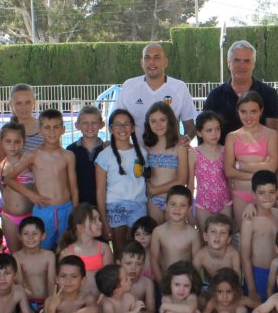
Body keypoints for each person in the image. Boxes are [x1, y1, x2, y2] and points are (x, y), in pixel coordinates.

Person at [3, 108, 78, 251]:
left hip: (66, 209)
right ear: (40, 130)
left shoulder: (68, 155)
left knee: (66, 251)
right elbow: (9, 178)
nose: (52, 131)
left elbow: (73, 187)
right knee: (41, 250)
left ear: (63, 129)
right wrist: (31, 195)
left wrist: (74, 210)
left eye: (56, 127)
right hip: (44, 210)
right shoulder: (32, 155)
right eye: (47, 127)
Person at [115, 43, 198, 138]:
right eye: (147, 57)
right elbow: (116, 122)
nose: (152, 62)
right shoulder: (129, 86)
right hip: (138, 151)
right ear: (142, 63)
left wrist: (184, 143)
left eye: (157, 57)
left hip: (171, 151)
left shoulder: (180, 88)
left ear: (165, 62)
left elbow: (190, 126)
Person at [203, 40, 278, 138]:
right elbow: (204, 133)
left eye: (246, 61)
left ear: (253, 64)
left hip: (259, 153)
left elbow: (272, 136)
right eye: (237, 60)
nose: (241, 66)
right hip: (223, 153)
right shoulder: (215, 96)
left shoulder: (269, 95)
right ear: (228, 62)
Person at [95, 109, 148, 252]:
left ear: (132, 127)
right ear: (111, 128)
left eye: (126, 124)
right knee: (119, 250)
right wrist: (103, 220)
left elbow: (146, 183)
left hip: (138, 205)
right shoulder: (104, 156)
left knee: (136, 250)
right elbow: (100, 191)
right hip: (115, 207)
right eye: (117, 125)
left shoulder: (142, 153)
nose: (122, 128)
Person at [225, 91, 278, 223]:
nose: (248, 116)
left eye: (253, 111)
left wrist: (241, 166)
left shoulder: (271, 135)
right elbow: (229, 171)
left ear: (261, 111)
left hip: (265, 195)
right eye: (243, 112)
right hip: (240, 194)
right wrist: (260, 173)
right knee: (243, 233)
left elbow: (272, 168)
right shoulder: (232, 137)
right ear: (238, 112)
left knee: (264, 234)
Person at [240, 170, 278, 302]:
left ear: (277, 192)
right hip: (259, 273)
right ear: (253, 194)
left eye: (271, 192)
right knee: (258, 311)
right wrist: (252, 289)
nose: (267, 197)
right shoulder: (249, 221)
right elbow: (245, 257)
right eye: (262, 193)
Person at [143, 102, 190, 223]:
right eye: (153, 121)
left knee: (173, 239)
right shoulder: (148, 146)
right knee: (155, 235)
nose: (158, 125)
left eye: (162, 120)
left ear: (170, 121)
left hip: (174, 201)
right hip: (154, 200)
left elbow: (182, 180)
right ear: (148, 123)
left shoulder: (180, 146)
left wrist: (154, 190)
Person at [0, 123, 33, 253]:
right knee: (15, 255)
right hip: (9, 218)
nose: (13, 145)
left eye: (17, 141)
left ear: (23, 142)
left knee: (31, 253)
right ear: (2, 142)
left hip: (30, 215)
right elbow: (4, 191)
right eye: (8, 141)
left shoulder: (30, 165)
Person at [58, 203, 115, 295]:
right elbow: (63, 284)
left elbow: (110, 280)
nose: (100, 223)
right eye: (94, 220)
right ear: (80, 227)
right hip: (77, 303)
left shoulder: (104, 248)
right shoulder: (67, 253)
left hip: (101, 302)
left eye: (99, 219)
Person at [149, 186, 202, 282]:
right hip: (165, 282)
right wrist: (161, 284)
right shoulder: (158, 232)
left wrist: (191, 284)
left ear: (189, 209)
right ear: (166, 206)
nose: (177, 209)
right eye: (173, 204)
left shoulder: (193, 234)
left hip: (186, 283)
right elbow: (154, 260)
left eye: (182, 205)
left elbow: (197, 264)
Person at [190, 111, 232, 229]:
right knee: (205, 238)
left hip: (225, 202)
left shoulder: (225, 151)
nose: (214, 133)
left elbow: (230, 179)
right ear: (199, 132)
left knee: (224, 237)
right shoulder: (194, 153)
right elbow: (190, 184)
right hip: (203, 204)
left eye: (217, 129)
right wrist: (189, 211)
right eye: (209, 130)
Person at [13, 217, 54, 313]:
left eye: (35, 234)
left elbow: (51, 282)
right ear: (20, 236)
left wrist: (50, 303)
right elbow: (19, 284)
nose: (30, 237)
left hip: (46, 300)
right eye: (26, 234)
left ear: (43, 236)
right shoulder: (17, 257)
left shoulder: (49, 256)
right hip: (26, 301)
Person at [67, 106, 106, 208]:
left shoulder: (107, 150)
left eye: (94, 123)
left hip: (104, 204)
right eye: (85, 123)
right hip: (79, 204)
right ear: (77, 125)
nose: (90, 126)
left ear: (101, 125)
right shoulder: (70, 150)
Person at [193, 214, 242, 285]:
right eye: (213, 231)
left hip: (229, 288)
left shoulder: (233, 255)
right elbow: (193, 281)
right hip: (210, 287)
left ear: (229, 239)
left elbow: (238, 282)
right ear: (205, 236)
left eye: (223, 232)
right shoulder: (200, 256)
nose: (217, 236)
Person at [4, 84, 42, 152]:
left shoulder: (47, 128)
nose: (24, 107)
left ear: (34, 102)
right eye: (19, 103)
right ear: (11, 104)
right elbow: (1, 161)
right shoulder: (4, 132)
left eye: (27, 102)